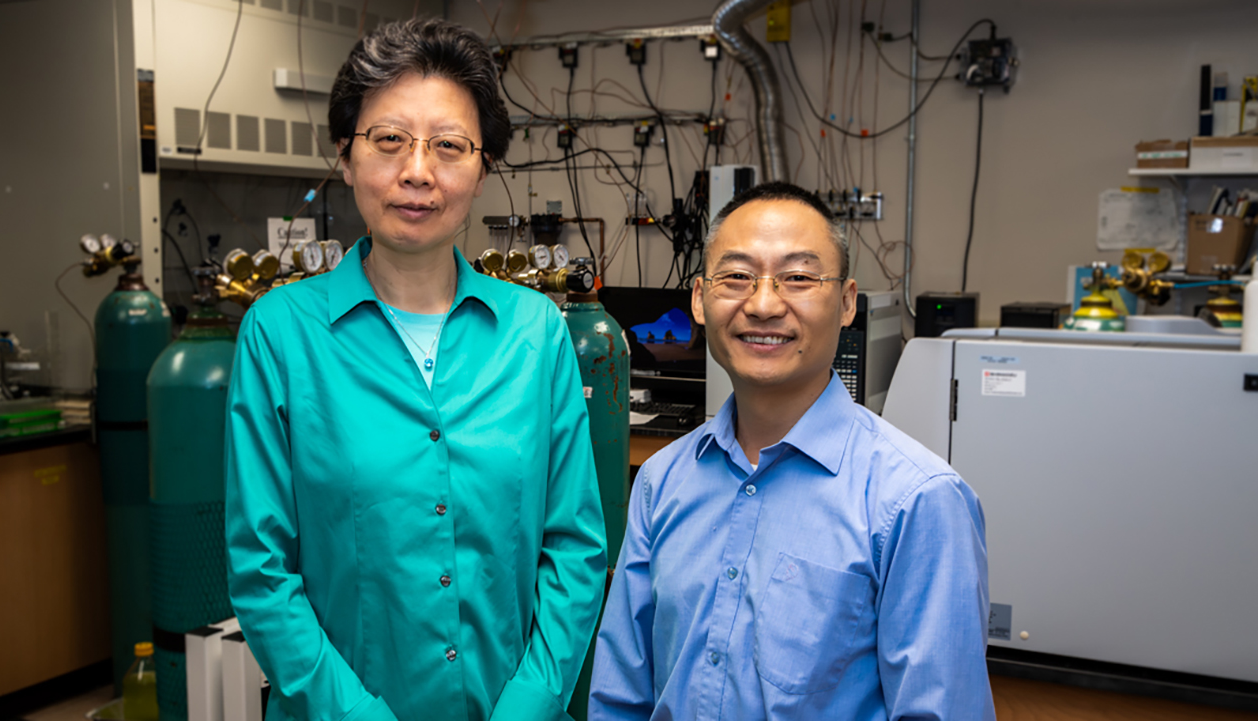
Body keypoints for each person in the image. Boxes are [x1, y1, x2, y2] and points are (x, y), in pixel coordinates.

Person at [225, 19, 606, 721]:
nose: (418, 171)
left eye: (449, 145)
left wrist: (528, 705)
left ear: (482, 168)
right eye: (389, 139)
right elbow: (261, 569)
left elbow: (575, 549)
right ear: (345, 156)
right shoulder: (280, 334)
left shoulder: (536, 333)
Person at [588, 182, 994, 720]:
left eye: (799, 278)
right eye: (736, 277)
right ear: (699, 299)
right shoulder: (661, 481)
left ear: (846, 302)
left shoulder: (917, 502)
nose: (762, 304)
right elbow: (621, 697)